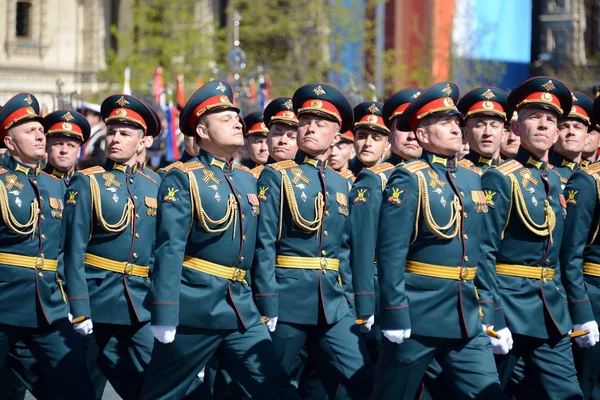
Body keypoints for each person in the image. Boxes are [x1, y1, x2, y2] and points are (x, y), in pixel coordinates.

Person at [141, 81, 300, 400]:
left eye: (237, 118)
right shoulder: (183, 177)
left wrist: (266, 302)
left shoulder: (246, 179)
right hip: (195, 307)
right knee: (163, 393)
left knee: (276, 388)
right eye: (226, 119)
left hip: (240, 307)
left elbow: (260, 247)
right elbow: (169, 249)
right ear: (201, 130)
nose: (238, 123)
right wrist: (165, 311)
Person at [373, 82, 504, 400]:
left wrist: (490, 311)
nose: (456, 128)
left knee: (488, 394)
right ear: (421, 135)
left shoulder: (472, 178)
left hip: (465, 316)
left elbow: (482, 251)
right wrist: (394, 310)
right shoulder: (410, 178)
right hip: (419, 315)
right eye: (445, 123)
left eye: (456, 122)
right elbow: (391, 252)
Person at [251, 83, 374, 399]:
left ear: (336, 137)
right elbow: (264, 242)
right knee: (270, 386)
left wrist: (350, 301)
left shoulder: (340, 182)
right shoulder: (277, 175)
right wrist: (267, 300)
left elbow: (343, 248)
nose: (309, 129)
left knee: (364, 380)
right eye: (305, 122)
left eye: (321, 124)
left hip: (332, 304)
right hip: (287, 298)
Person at [482, 76, 593, 399]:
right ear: (515, 129)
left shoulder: (557, 183)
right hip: (509, 307)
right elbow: (485, 252)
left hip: (549, 310)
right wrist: (492, 315)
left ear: (557, 133)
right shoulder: (500, 178)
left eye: (550, 120)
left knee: (569, 393)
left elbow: (562, 256)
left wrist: (577, 311)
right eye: (534, 117)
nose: (543, 125)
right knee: (490, 392)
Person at [63, 94, 162, 399]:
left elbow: (160, 249)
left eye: (125, 133)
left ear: (143, 141)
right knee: (81, 387)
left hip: (139, 302)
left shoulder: (156, 184)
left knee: (153, 381)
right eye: (112, 132)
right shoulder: (88, 182)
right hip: (95, 300)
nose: (115, 139)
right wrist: (79, 307)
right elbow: (73, 250)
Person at [0, 93, 95, 399]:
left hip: (48, 307)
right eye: (29, 131)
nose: (40, 134)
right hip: (4, 303)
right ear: (10, 143)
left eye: (41, 130)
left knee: (76, 386)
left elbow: (68, 251)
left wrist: (78, 308)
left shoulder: (56, 186)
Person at [563, 94, 600, 400]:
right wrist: (582, 311)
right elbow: (572, 254)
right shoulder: (589, 181)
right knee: (588, 384)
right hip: (595, 293)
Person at [457, 87, 509, 174]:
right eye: (479, 126)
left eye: (494, 126)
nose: (487, 133)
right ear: (466, 133)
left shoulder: (513, 174)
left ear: (503, 134)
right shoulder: (457, 174)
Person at [549, 91, 594, 186]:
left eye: (577, 127)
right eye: (564, 127)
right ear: (554, 134)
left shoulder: (594, 174)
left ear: (587, 138)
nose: (571, 132)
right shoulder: (544, 173)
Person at [43, 110, 91, 187]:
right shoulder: (36, 183)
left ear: (78, 152)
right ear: (46, 147)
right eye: (58, 144)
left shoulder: (86, 185)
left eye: (71, 145)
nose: (64, 150)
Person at [78, 102, 107, 169]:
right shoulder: (89, 134)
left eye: (87, 114)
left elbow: (100, 160)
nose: (84, 117)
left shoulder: (101, 136)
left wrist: (78, 164)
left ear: (96, 117)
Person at [242, 111, 270, 177]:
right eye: (258, 141)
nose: (263, 148)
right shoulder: (240, 174)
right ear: (246, 145)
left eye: (268, 142)